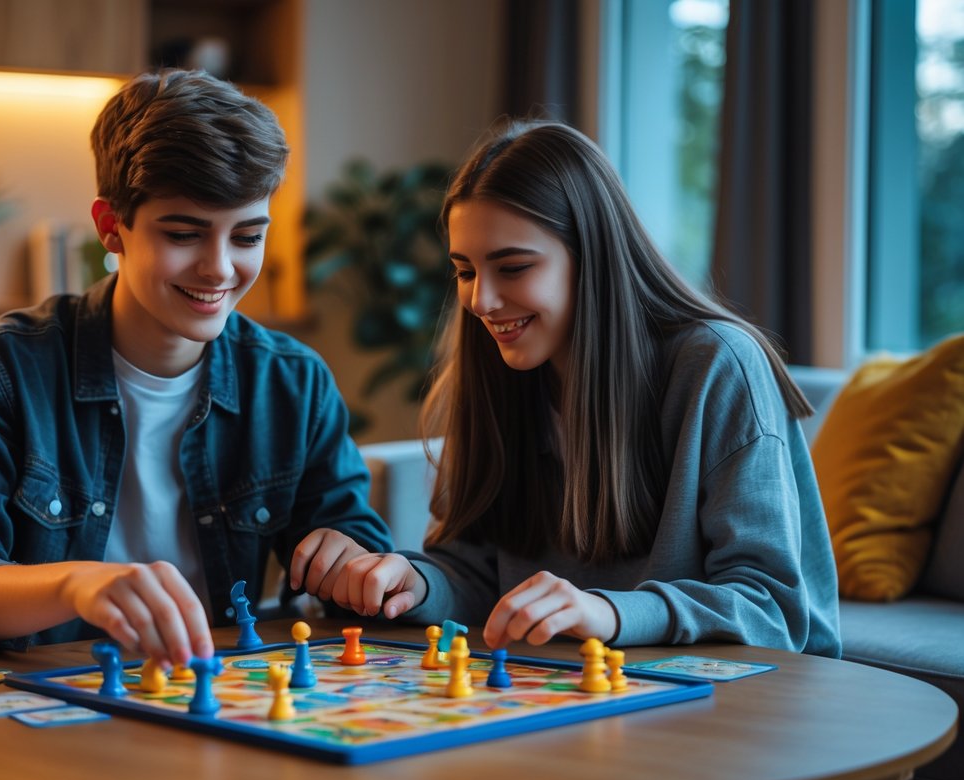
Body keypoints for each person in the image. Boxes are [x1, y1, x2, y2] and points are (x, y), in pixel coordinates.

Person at [0, 69, 392, 663]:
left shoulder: (292, 382)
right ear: (111, 228)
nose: (219, 269)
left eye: (248, 237)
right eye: (184, 234)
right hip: (52, 705)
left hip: (217, 698)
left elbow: (364, 564)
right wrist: (76, 586)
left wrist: (355, 563)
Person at [290, 119, 841, 658]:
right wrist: (415, 582)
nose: (481, 302)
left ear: (591, 260)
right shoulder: (496, 376)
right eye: (465, 272)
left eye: (513, 268)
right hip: (582, 697)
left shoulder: (718, 364)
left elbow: (773, 609)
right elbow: (479, 576)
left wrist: (608, 613)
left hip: (741, 703)